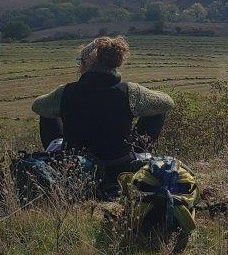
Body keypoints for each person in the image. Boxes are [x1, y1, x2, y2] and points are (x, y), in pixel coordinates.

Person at [31, 36, 175, 192]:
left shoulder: (66, 91)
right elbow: (166, 102)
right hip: (121, 164)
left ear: (86, 63)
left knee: (47, 113)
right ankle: (141, 149)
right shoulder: (129, 91)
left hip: (76, 164)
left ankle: (67, 156)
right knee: (157, 111)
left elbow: (38, 105)